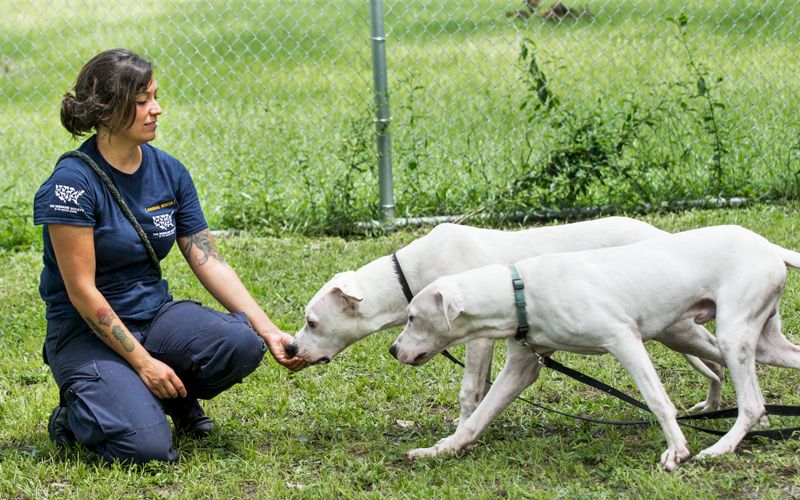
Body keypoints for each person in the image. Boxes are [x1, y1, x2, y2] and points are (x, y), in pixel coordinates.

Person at [33, 48, 307, 464]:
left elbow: (207, 259)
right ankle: (74, 416)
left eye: (155, 97)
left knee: (240, 342)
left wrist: (269, 330)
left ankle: (171, 397)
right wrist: (144, 364)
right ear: (106, 110)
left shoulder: (170, 171)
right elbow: (82, 293)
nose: (156, 110)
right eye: (141, 101)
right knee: (147, 449)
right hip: (85, 333)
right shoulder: (71, 184)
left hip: (152, 315)